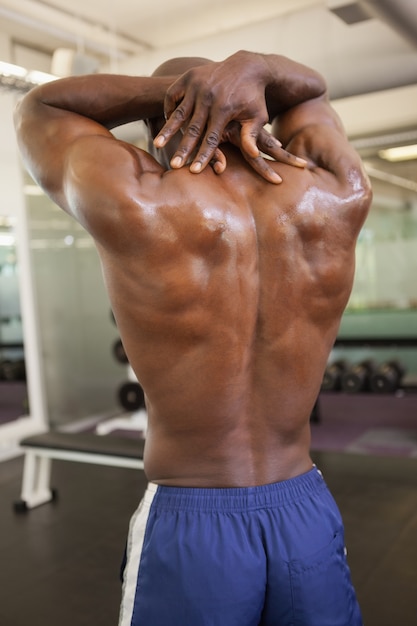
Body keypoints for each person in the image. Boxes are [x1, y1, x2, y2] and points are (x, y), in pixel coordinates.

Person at [14, 50, 372, 625]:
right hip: (304, 510)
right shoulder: (336, 194)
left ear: (167, 123)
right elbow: (310, 91)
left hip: (194, 524)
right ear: (253, 113)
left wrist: (177, 92)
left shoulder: (135, 200)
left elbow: (41, 106)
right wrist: (251, 70)